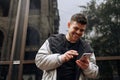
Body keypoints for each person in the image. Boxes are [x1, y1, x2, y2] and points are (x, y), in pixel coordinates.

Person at [35, 13, 99, 80]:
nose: (78, 32)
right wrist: (61, 58)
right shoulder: (52, 41)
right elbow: (39, 61)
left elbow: (94, 73)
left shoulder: (86, 47)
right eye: (76, 28)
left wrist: (87, 67)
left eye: (81, 30)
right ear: (69, 25)